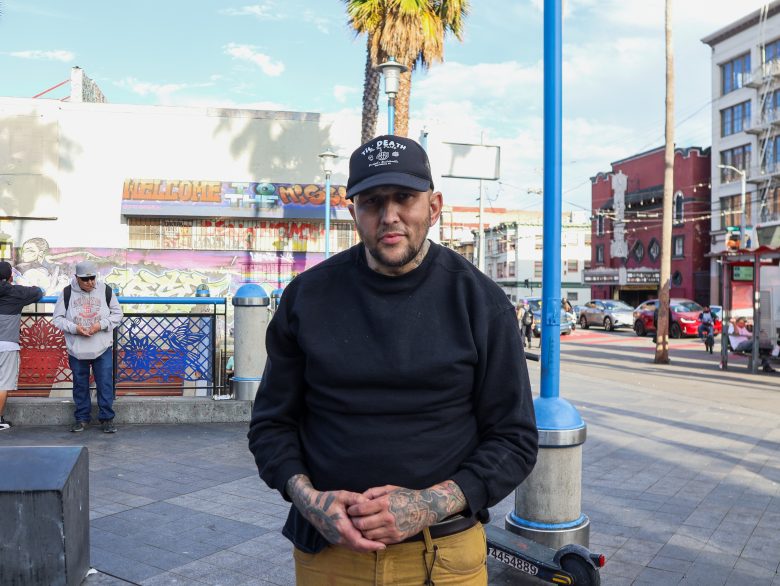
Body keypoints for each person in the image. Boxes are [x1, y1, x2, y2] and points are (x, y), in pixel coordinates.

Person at [248, 135, 538, 585]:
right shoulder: (307, 297)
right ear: (353, 213)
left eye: (404, 197)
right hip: (329, 553)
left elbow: (514, 439)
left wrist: (427, 504)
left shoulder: (480, 301)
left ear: (434, 206)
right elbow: (271, 425)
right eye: (372, 202)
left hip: (444, 556)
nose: (389, 216)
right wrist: (310, 500)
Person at [53, 261, 123, 432]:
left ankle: (107, 419)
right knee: (80, 383)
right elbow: (58, 319)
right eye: (85, 279)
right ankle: (82, 418)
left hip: (102, 347)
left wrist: (100, 325)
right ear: (76, 278)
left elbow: (117, 313)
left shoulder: (105, 290)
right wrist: (74, 328)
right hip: (77, 348)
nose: (90, 282)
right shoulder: (67, 292)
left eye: (92, 278)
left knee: (105, 383)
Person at [0, 261, 44, 430]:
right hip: (7, 345)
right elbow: (38, 292)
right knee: (3, 383)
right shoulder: (16, 292)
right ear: (10, 277)